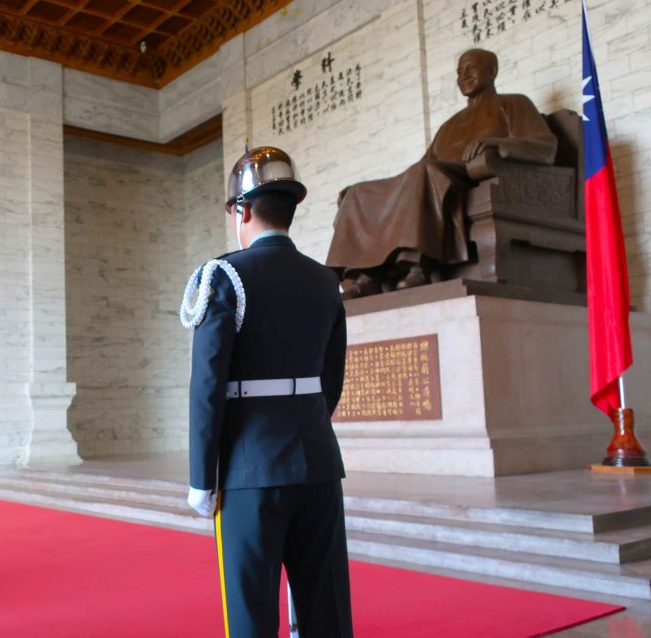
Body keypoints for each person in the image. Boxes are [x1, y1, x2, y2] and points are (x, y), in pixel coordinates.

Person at [180, 145, 352, 637]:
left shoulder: (225, 276)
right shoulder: (325, 281)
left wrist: (201, 477)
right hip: (317, 461)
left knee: (251, 611)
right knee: (327, 609)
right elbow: (331, 378)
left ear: (243, 210)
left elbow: (208, 385)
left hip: (248, 470)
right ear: (290, 208)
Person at [326, 48, 558, 296]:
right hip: (436, 176)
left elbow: (546, 147)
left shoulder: (513, 104)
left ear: (492, 71)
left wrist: (497, 144)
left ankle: (419, 267)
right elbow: (419, 168)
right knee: (358, 193)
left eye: (470, 69)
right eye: (459, 72)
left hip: (472, 177)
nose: (463, 76)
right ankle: (364, 275)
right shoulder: (450, 124)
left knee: (424, 172)